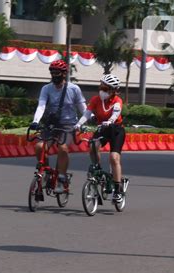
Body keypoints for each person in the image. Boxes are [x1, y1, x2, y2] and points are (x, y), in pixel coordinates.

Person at [29, 59, 87, 193]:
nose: (55, 75)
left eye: (57, 73)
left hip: (68, 125)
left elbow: (82, 107)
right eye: (52, 73)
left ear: (64, 73)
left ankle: (61, 178)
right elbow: (41, 105)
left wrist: (86, 120)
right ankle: (46, 172)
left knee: (63, 148)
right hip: (51, 124)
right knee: (39, 147)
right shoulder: (46, 89)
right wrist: (36, 121)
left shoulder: (74, 89)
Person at [74, 74, 125, 202]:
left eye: (105, 88)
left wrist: (111, 120)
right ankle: (98, 169)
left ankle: (118, 189)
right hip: (101, 128)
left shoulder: (117, 100)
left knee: (114, 158)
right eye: (101, 86)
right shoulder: (96, 99)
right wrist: (79, 124)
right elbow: (87, 112)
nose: (102, 90)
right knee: (92, 147)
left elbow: (116, 112)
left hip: (115, 130)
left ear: (113, 90)